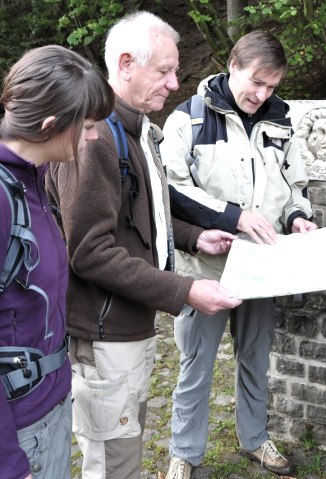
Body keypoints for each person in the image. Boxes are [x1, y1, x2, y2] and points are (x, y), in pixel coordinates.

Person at [45, 12, 241, 479]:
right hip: (106, 329)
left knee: (127, 444)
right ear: (126, 64)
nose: (176, 83)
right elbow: (90, 250)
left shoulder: (138, 128)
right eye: (165, 71)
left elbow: (141, 208)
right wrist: (186, 291)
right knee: (114, 460)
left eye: (175, 71)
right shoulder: (94, 138)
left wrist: (195, 236)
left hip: (130, 323)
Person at [161, 31, 316, 478]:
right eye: (256, 82)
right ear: (232, 65)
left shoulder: (280, 122)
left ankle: (255, 440)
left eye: (273, 86)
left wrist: (298, 218)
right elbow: (172, 188)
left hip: (263, 270)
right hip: (207, 269)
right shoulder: (187, 119)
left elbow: (295, 187)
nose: (263, 94)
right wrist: (235, 216)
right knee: (196, 365)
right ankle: (184, 453)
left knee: (255, 357)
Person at [0, 45, 114, 479]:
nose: (92, 137)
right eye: (85, 126)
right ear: (50, 126)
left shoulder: (34, 180)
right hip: (20, 429)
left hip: (49, 404)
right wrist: (9, 464)